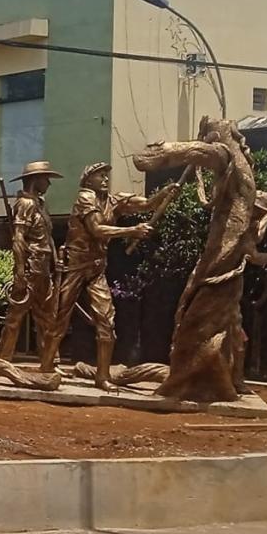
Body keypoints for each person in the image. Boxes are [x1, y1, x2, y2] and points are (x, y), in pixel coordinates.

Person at [44, 162, 179, 389]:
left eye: (107, 176)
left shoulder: (113, 200)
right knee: (60, 317)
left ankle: (102, 376)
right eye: (100, 176)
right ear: (88, 180)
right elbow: (97, 230)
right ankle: (46, 367)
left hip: (96, 268)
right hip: (74, 266)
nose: (105, 180)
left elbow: (144, 205)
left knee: (106, 321)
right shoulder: (85, 198)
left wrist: (163, 194)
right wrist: (131, 231)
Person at [0, 160, 62, 367]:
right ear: (35, 180)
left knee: (47, 316)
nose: (49, 184)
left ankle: (49, 360)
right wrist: (20, 271)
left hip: (43, 267)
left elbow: (47, 237)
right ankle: (3, 359)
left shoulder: (40, 204)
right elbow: (18, 238)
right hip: (31, 267)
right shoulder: (25, 204)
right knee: (16, 315)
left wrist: (56, 259)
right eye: (45, 179)